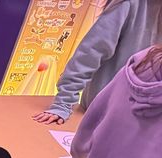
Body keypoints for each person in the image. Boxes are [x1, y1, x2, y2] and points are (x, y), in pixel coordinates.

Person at [32, 0, 161, 124]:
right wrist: (63, 103)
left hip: (143, 120)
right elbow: (90, 53)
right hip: (102, 113)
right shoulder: (130, 5)